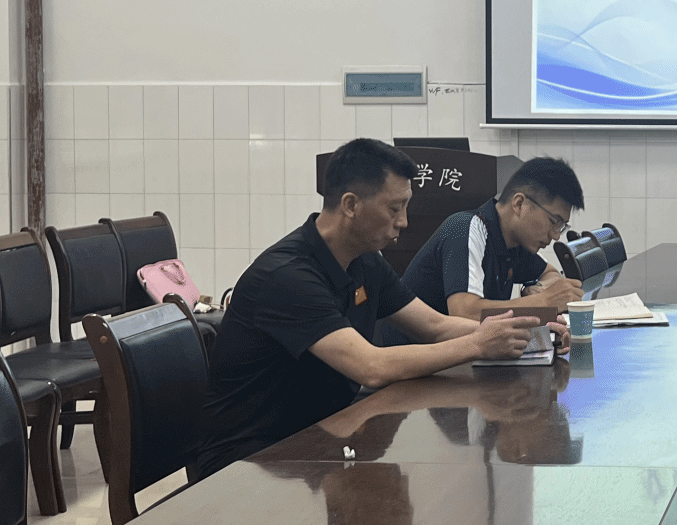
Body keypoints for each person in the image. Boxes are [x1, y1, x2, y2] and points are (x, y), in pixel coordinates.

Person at [193, 139, 541, 477]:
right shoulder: (287, 275)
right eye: (394, 209)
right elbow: (370, 367)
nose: (404, 221)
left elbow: (435, 326)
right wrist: (478, 344)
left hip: (320, 434)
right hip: (250, 461)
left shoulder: (365, 261)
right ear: (350, 205)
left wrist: (530, 331)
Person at [401, 155, 586, 320]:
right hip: (412, 346)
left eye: (561, 227)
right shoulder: (466, 229)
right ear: (519, 204)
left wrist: (538, 289)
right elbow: (464, 312)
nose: (555, 235)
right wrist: (542, 301)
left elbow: (550, 273)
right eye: (554, 221)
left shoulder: (515, 243)